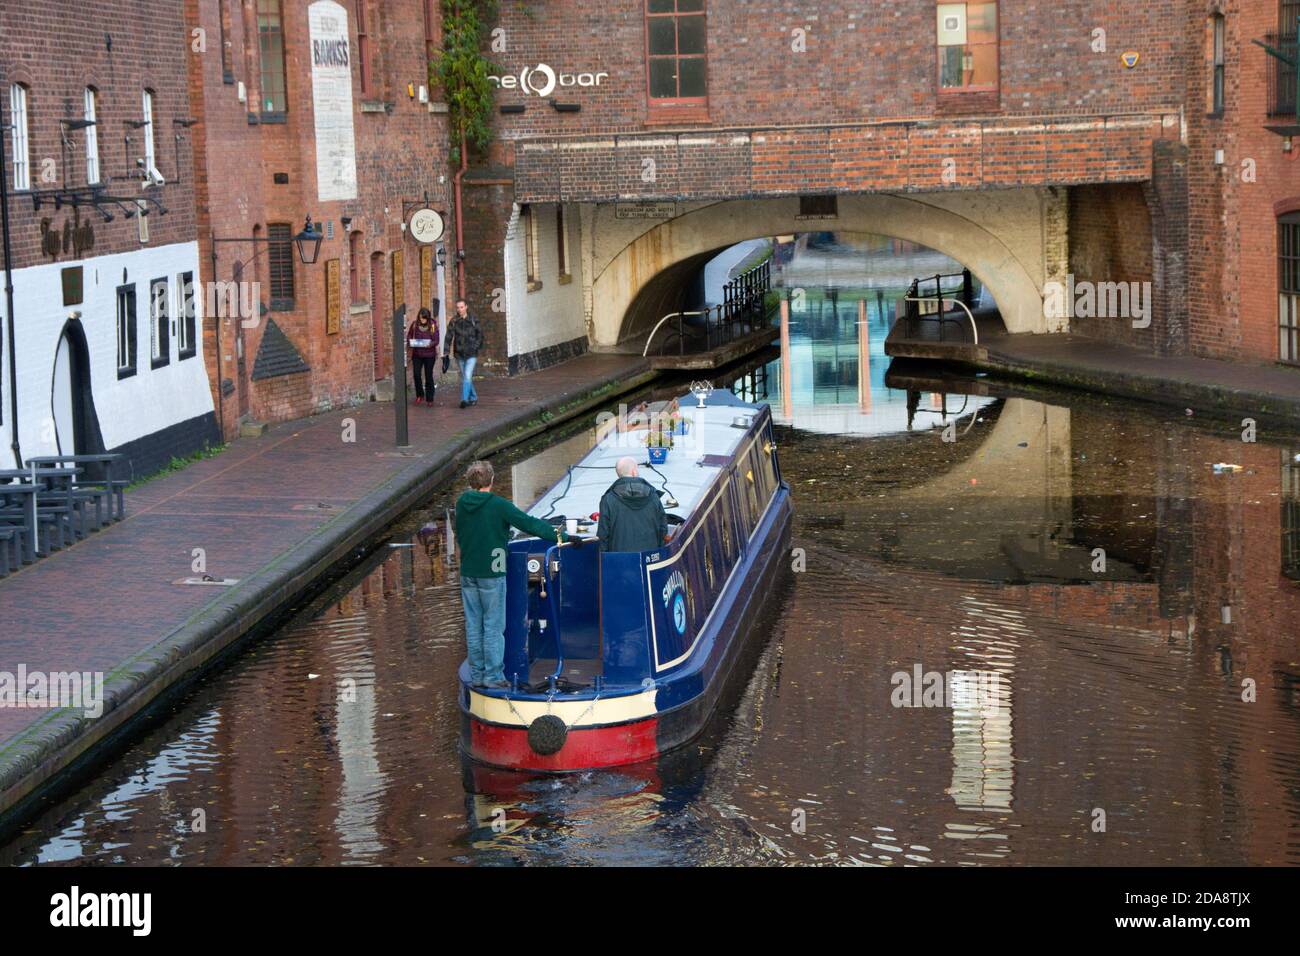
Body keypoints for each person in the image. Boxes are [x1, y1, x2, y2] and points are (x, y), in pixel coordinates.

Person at [454, 459, 572, 688]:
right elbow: (530, 525)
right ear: (492, 480)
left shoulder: (461, 503)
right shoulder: (499, 505)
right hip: (492, 572)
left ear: (470, 481)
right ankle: (493, 677)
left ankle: (477, 675)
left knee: (473, 624)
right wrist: (563, 537)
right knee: (493, 626)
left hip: (468, 572)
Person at [597, 457, 669, 553]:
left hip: (620, 560)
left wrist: (606, 559)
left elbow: (603, 534)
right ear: (634, 472)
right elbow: (663, 529)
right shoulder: (653, 496)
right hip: (650, 557)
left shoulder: (608, 499)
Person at [446, 299, 484, 409]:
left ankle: (464, 399)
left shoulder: (473, 319)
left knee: (467, 376)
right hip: (459, 354)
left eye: (461, 307)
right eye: (458, 307)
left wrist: (475, 346)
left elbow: (480, 335)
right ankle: (474, 397)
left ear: (466, 307)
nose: (459, 309)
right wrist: (446, 351)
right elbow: (448, 336)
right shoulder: (454, 321)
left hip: (471, 353)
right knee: (466, 378)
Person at [406, 307, 440, 406]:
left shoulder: (432, 326)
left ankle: (430, 398)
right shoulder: (414, 325)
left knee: (428, 375)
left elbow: (436, 340)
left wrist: (430, 344)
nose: (422, 320)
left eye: (424, 318)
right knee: (416, 375)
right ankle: (420, 394)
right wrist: (410, 342)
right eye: (421, 318)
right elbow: (409, 336)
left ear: (428, 318)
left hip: (429, 355)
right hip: (417, 354)